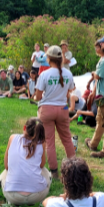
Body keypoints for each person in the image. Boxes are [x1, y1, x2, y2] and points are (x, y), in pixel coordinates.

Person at [35, 45, 77, 174]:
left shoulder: (44, 74)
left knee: (49, 142)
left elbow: (38, 96)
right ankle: (74, 169)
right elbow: (71, 89)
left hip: (47, 110)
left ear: (48, 58)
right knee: (67, 139)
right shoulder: (68, 73)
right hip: (63, 109)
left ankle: (54, 171)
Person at [0, 118, 51, 205]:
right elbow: (41, 165)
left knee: (4, 174)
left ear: (24, 128)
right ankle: (38, 199)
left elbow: (7, 166)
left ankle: (11, 201)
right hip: (36, 196)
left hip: (13, 196)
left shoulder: (12, 138)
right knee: (47, 173)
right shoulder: (41, 143)